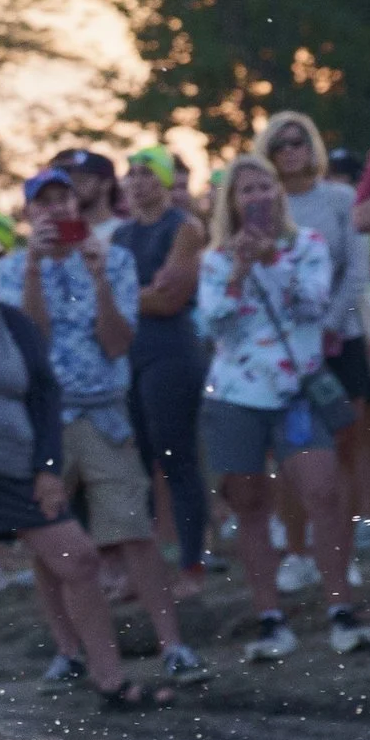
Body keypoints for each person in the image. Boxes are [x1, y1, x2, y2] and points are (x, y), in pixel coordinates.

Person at [0, 226, 183, 734]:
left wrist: (49, 468)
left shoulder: (16, 323)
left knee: (79, 558)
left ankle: (110, 680)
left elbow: (45, 399)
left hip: (17, 467)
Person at [0, 164, 193, 685]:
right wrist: (37, 267)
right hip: (42, 420)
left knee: (133, 529)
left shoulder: (116, 259)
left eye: (64, 199)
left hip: (105, 413)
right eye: (45, 201)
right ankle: (68, 650)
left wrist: (100, 276)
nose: (56, 209)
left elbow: (117, 342)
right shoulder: (14, 268)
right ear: (29, 212)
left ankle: (173, 644)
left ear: (77, 206)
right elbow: (30, 343)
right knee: (49, 536)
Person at [196, 153, 370, 660]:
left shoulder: (307, 246)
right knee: (251, 505)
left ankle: (341, 607)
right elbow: (214, 323)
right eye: (246, 190)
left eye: (265, 187)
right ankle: (270, 618)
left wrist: (272, 261)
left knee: (323, 491)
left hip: (295, 392)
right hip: (236, 396)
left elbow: (313, 304)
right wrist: (238, 270)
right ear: (232, 202)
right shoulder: (214, 258)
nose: (258, 197)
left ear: (279, 194)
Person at [263, 111, 370, 557]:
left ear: (313, 147)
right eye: (280, 145)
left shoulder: (340, 198)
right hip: (284, 346)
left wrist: (330, 324)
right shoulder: (262, 203)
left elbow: (356, 270)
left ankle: (341, 552)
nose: (290, 151)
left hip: (339, 337)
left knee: (345, 446)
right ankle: (297, 552)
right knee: (291, 454)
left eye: (298, 142)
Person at [117, 146, 212, 589]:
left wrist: (124, 296)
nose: (138, 181)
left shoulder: (184, 227)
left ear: (165, 179)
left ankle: (192, 564)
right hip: (130, 356)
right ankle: (148, 571)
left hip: (172, 351)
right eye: (131, 173)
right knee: (137, 465)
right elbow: (118, 298)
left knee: (177, 457)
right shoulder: (120, 236)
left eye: (148, 172)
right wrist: (138, 295)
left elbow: (169, 298)